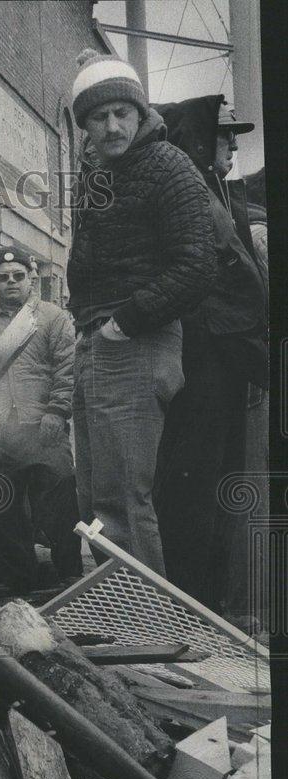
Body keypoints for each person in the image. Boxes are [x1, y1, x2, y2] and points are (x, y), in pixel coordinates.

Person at [66, 49, 216, 575]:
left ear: (139, 112)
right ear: (84, 124)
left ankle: (145, 624)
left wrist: (122, 323)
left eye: (121, 113)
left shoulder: (167, 166)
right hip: (96, 343)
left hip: (135, 343)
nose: (112, 125)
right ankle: (117, 615)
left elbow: (198, 264)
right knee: (95, 502)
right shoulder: (98, 174)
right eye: (99, 116)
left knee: (123, 502)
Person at [153, 98, 268, 614]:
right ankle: (193, 603)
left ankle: (214, 601)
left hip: (230, 357)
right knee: (196, 486)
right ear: (201, 140)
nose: (236, 146)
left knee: (224, 483)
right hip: (204, 358)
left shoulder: (219, 189)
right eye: (226, 136)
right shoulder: (192, 192)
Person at [0, 247, 82, 594]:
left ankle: (70, 573)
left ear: (32, 277)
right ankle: (20, 576)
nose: (11, 282)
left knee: (58, 502)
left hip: (43, 427)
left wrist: (56, 411)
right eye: (3, 277)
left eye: (18, 276)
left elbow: (67, 370)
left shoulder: (52, 318)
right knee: (5, 509)